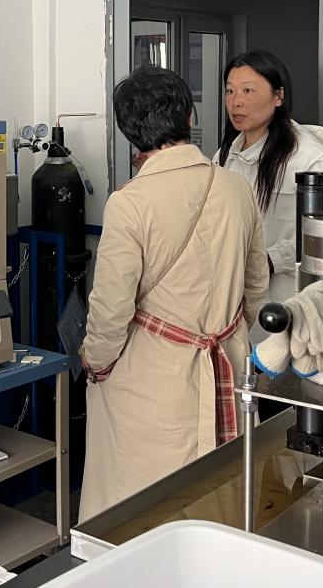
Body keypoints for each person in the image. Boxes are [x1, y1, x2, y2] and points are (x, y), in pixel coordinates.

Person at [79, 66, 269, 520]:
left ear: (129, 132)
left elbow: (111, 309)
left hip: (153, 384)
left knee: (146, 512)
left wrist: (95, 361)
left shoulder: (129, 202)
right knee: (222, 498)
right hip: (228, 364)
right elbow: (257, 287)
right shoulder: (236, 187)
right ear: (189, 118)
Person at [214, 51, 323, 275]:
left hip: (287, 289)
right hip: (235, 286)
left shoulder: (309, 159)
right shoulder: (225, 155)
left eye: (248, 91)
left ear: (279, 96)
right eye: (230, 91)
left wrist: (269, 261)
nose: (236, 102)